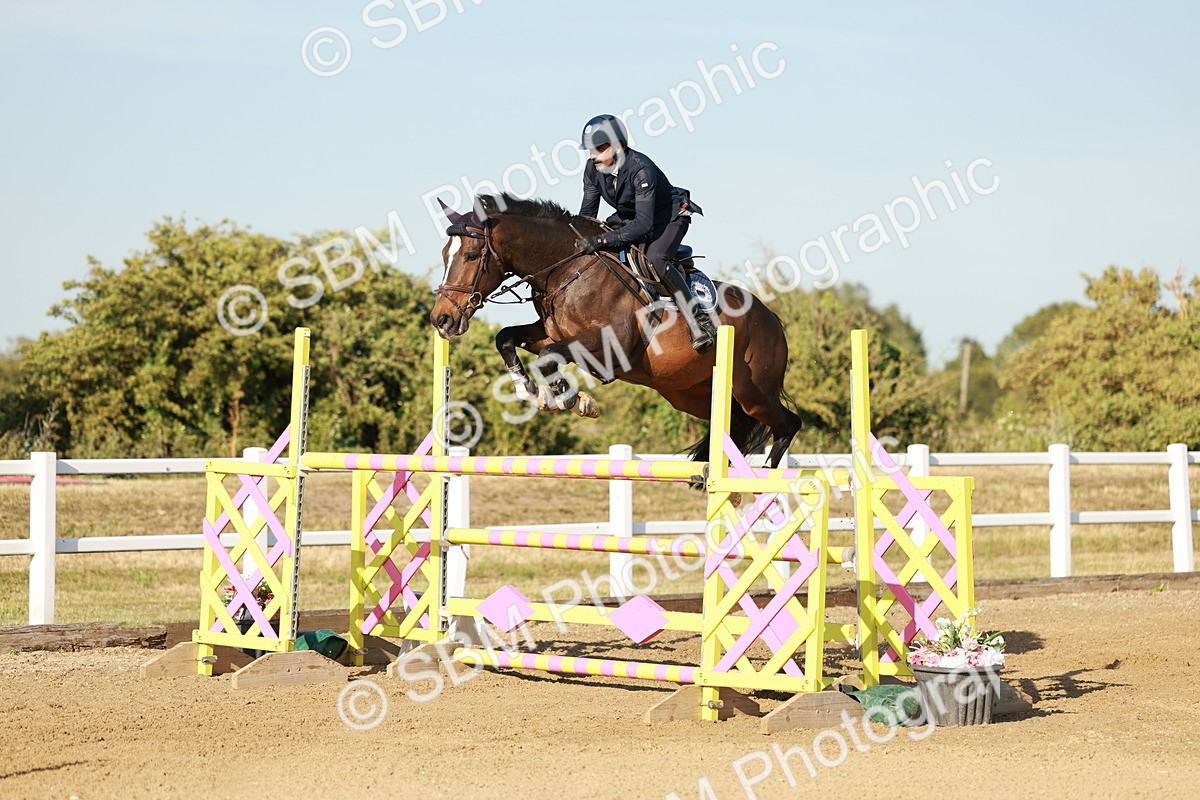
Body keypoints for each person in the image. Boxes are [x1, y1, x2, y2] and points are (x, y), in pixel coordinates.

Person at [574, 114, 717, 352]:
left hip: (668, 217)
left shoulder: (641, 168)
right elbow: (587, 215)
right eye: (590, 149)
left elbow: (643, 225)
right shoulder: (592, 169)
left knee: (656, 259)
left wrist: (599, 239)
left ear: (618, 146)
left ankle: (697, 319)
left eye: (599, 148)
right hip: (632, 216)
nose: (592, 155)